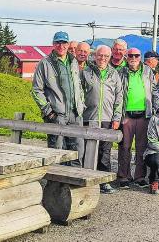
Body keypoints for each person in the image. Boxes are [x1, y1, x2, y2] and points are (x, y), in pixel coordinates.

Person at [31, 31, 85, 165]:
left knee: (77, 151)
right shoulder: (45, 63)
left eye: (64, 42)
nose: (61, 45)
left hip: (75, 114)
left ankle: (73, 183)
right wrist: (48, 111)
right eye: (58, 42)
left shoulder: (73, 61)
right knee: (56, 152)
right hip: (57, 115)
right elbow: (36, 90)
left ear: (68, 44)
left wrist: (81, 105)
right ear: (53, 44)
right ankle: (55, 184)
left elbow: (78, 85)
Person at [80, 45, 123, 194]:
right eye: (100, 55)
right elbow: (79, 95)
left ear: (110, 57)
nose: (102, 58)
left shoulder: (114, 74)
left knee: (105, 152)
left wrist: (116, 118)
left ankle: (104, 182)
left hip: (107, 118)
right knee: (88, 151)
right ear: (95, 56)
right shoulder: (86, 72)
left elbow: (119, 97)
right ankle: (87, 180)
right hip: (89, 117)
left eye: (106, 56)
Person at [117, 48, 159, 189]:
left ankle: (140, 176)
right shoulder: (121, 72)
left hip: (144, 114)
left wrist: (156, 109)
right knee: (125, 147)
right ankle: (124, 176)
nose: (133, 58)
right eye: (131, 55)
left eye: (136, 55)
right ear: (126, 57)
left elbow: (155, 90)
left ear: (140, 57)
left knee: (142, 147)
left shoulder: (147, 71)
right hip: (126, 115)